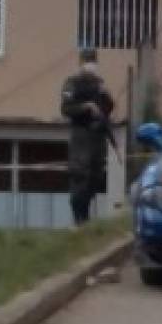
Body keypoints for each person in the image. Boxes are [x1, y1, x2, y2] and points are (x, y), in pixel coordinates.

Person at [60, 48, 114, 226]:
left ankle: (85, 215)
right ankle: (78, 218)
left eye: (94, 59)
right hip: (81, 133)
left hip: (97, 134)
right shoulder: (72, 83)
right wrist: (86, 106)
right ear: (81, 62)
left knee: (96, 177)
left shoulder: (99, 83)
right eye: (88, 60)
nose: (92, 63)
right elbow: (66, 109)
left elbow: (108, 107)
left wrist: (106, 95)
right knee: (80, 176)